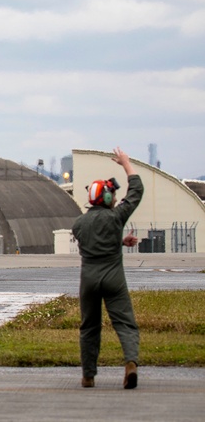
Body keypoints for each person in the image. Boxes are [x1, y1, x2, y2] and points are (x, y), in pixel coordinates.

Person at [71, 147, 143, 389]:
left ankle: (88, 376)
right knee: (125, 323)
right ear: (110, 199)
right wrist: (126, 164)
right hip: (113, 277)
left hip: (88, 279)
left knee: (89, 326)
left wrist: (118, 241)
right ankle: (130, 363)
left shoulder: (79, 223)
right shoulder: (116, 217)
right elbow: (136, 190)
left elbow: (93, 243)